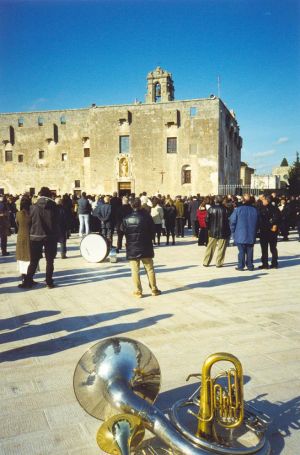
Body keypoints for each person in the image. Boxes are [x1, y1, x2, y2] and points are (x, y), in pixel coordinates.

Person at [121, 197, 161, 298]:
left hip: (132, 247)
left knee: (135, 270)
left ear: (131, 205)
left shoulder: (126, 218)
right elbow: (153, 231)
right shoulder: (147, 217)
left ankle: (138, 291)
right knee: (150, 269)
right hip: (145, 246)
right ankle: (154, 289)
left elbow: (122, 230)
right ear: (140, 205)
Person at [25, 187, 59, 289]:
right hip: (50, 237)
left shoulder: (33, 207)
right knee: (50, 261)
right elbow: (57, 222)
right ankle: (49, 281)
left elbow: (29, 222)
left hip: (36, 236)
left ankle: (28, 280)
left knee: (34, 260)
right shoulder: (54, 207)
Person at [229, 194, 258, 271]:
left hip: (240, 233)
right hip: (251, 233)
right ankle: (250, 265)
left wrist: (232, 231)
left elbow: (232, 221)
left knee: (241, 251)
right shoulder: (254, 210)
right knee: (250, 250)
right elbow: (258, 222)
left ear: (242, 200)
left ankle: (241, 265)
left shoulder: (238, 209)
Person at [203, 195, 230, 267]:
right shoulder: (225, 209)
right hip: (223, 231)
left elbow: (206, 220)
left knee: (210, 247)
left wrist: (209, 228)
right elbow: (228, 220)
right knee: (221, 248)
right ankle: (219, 262)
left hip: (213, 231)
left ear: (215, 200)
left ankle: (206, 262)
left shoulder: (211, 209)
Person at [258, 196, 281, 269]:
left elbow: (277, 217)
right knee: (265, 248)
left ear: (267, 201)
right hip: (264, 230)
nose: (262, 201)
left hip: (270, 230)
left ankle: (273, 263)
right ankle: (266, 264)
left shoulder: (274, 208)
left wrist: (275, 224)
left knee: (272, 248)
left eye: (264, 200)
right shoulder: (261, 208)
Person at [16, 196, 32, 287]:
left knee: (22, 259)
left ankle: (24, 279)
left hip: (21, 237)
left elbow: (17, 224)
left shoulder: (18, 214)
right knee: (30, 258)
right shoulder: (31, 214)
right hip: (30, 237)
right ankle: (30, 278)